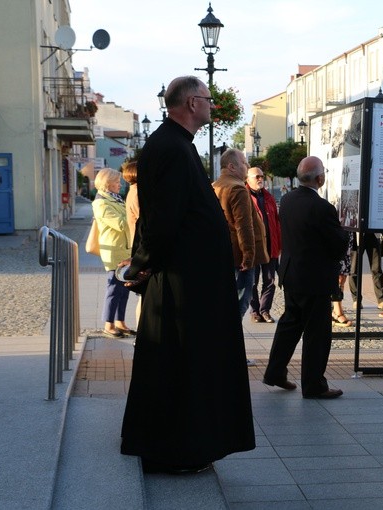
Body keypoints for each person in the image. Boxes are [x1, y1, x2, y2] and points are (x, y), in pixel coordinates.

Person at [119, 76, 255, 474]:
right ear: (193, 102)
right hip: (183, 281)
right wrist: (141, 263)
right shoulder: (171, 148)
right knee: (181, 367)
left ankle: (185, 446)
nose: (213, 106)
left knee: (188, 365)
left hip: (191, 278)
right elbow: (160, 218)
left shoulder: (176, 145)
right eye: (209, 100)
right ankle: (174, 451)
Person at [262, 156, 348, 399]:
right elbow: (338, 244)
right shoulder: (322, 208)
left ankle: (275, 371)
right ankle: (314, 385)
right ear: (320, 178)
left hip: (292, 274)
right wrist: (343, 234)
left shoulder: (288, 200)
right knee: (317, 334)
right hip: (315, 279)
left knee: (290, 325)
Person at [213, 149, 268, 321]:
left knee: (223, 304)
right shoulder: (237, 188)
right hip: (240, 257)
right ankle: (227, 343)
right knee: (239, 304)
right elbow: (244, 225)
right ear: (231, 166)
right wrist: (249, 255)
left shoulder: (215, 186)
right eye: (244, 163)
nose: (247, 166)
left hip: (223, 253)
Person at [92, 167, 134, 338]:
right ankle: (108, 324)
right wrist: (134, 213)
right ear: (107, 184)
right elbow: (121, 224)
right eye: (116, 182)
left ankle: (120, 322)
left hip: (124, 249)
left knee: (124, 288)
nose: (119, 185)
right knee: (114, 289)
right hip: (115, 251)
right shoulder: (101, 203)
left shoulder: (116, 200)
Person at [246, 166, 281, 324]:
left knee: (270, 281)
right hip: (253, 248)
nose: (260, 179)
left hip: (270, 246)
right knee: (252, 282)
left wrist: (279, 244)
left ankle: (264, 310)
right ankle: (255, 311)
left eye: (262, 176)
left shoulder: (269, 197)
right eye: (257, 176)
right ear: (248, 179)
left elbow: (277, 222)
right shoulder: (244, 196)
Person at [349, 232, 383, 311]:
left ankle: (381, 300)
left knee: (376, 268)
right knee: (354, 269)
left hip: (372, 231)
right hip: (356, 231)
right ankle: (356, 299)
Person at [122, 161, 141, 325]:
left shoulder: (134, 191)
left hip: (139, 242)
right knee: (144, 294)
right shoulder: (137, 193)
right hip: (141, 244)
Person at [331, 232, 356, 327]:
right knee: (338, 275)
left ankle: (335, 310)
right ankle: (338, 312)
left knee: (343, 276)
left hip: (346, 230)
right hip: (333, 229)